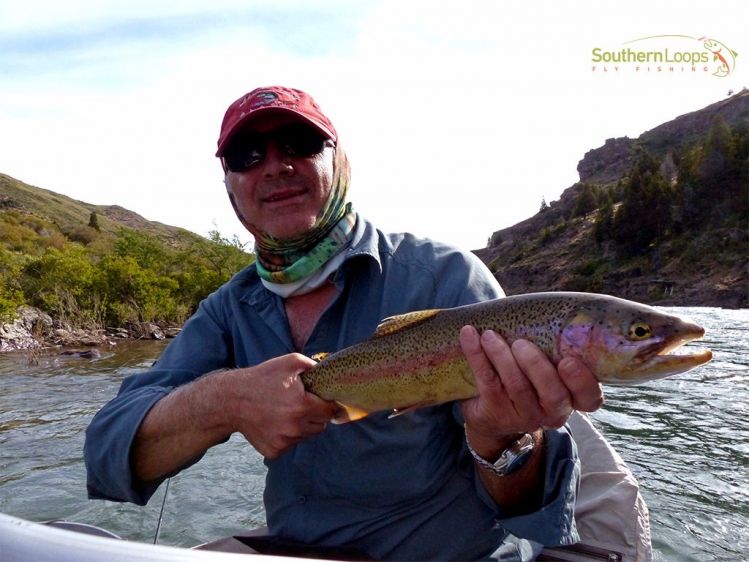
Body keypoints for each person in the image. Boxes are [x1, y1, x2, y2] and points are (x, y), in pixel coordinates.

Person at [84, 86, 604, 561]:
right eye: (247, 155)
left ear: (340, 161)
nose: (275, 166)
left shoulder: (447, 278)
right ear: (230, 185)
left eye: (298, 143)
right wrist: (225, 400)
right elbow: (109, 454)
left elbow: (527, 511)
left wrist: (503, 440)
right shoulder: (227, 310)